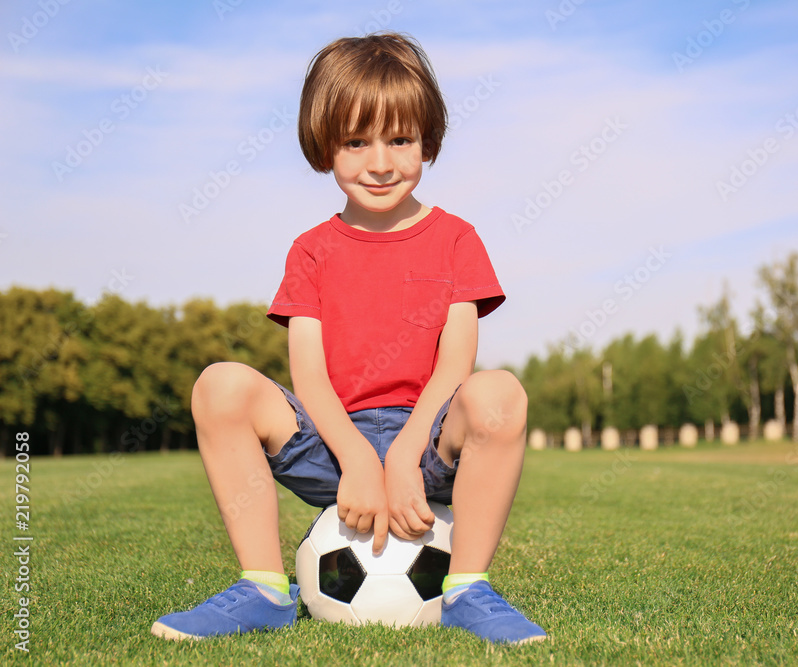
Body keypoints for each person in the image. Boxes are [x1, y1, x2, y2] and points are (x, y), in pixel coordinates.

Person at [150, 32, 546, 645]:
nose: (380, 162)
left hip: (429, 441)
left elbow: (455, 367)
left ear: (428, 140)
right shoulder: (311, 251)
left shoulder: (458, 239)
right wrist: (360, 460)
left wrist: (407, 457)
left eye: (400, 139)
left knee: (500, 392)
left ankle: (469, 589)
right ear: (323, 148)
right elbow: (308, 377)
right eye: (356, 142)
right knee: (220, 384)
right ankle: (261, 589)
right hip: (333, 445)